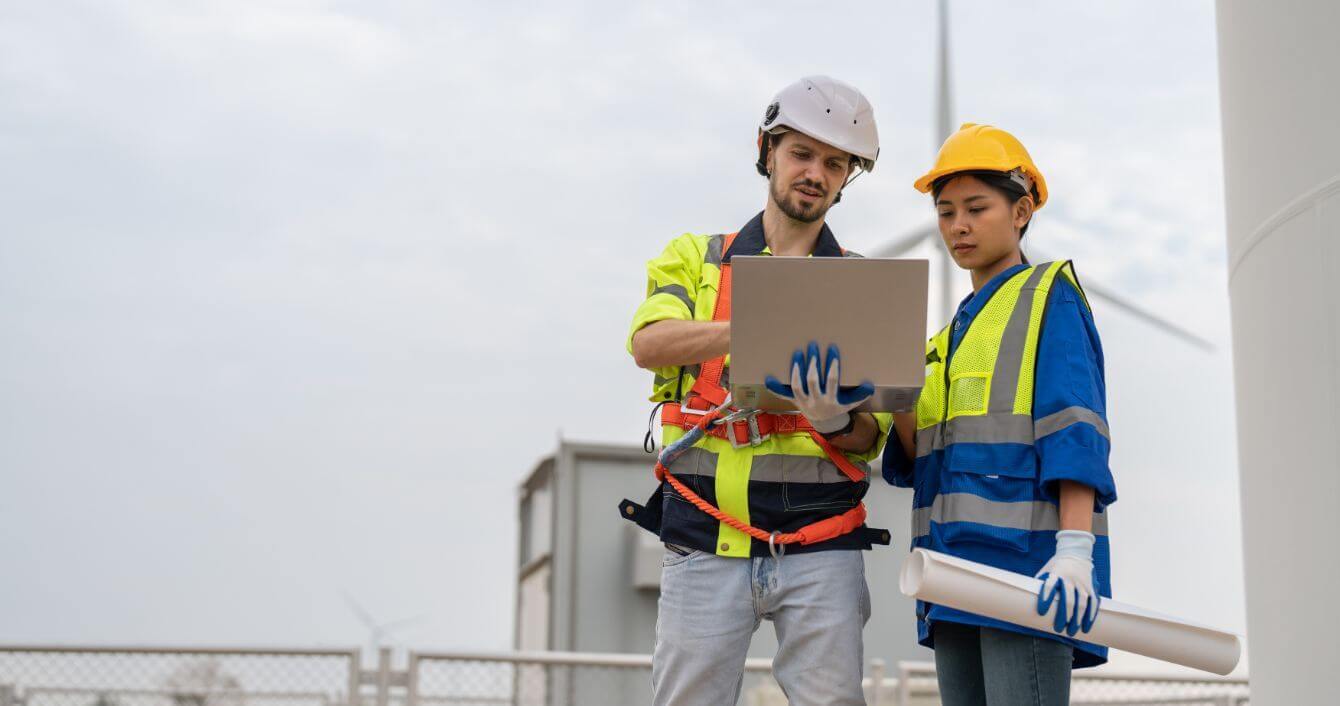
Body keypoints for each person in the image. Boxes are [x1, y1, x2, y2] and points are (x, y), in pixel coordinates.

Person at [620, 75, 893, 706]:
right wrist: (754, 326)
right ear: (767, 151)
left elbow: (869, 439)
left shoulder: (859, 284)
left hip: (822, 545)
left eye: (834, 163)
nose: (815, 173)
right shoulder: (698, 257)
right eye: (801, 153)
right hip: (703, 541)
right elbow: (648, 342)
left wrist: (833, 423)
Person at [882, 123, 1117, 705]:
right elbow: (918, 458)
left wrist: (1074, 551)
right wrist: (888, 395)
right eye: (944, 212)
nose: (957, 226)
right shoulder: (947, 338)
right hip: (951, 573)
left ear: (1021, 210)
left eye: (976, 208)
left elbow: (1075, 428)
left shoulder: (1048, 296)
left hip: (1029, 577)